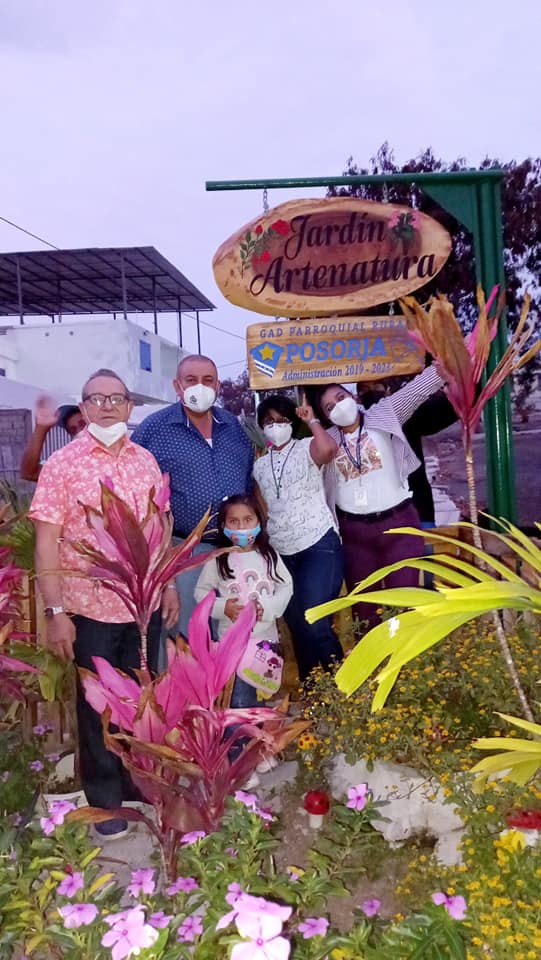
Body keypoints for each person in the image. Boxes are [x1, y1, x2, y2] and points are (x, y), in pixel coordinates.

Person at [29, 369, 178, 839]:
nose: (108, 406)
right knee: (97, 708)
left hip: (142, 606)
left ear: (130, 406)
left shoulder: (145, 460)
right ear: (84, 407)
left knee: (139, 699)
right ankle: (105, 801)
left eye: (117, 398)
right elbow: (46, 542)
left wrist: (169, 583)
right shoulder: (62, 465)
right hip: (88, 608)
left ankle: (137, 785)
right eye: (97, 399)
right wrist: (55, 613)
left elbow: (160, 527)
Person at [131, 354, 254, 639]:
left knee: (234, 635)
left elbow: (248, 480)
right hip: (183, 553)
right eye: (191, 380)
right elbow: (136, 491)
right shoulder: (154, 429)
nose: (200, 386)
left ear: (218, 386)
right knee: (186, 636)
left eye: (208, 380)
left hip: (235, 549)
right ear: (177, 385)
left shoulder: (233, 427)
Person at [314, 364, 445, 630]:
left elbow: (416, 391)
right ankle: (370, 657)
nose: (338, 407)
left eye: (340, 398)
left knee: (403, 601)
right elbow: (312, 457)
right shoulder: (327, 440)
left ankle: (405, 654)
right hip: (355, 534)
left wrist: (443, 368)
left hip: (399, 525)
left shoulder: (384, 414)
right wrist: (311, 422)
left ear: (353, 397)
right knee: (364, 609)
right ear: (326, 417)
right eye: (329, 407)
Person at [253, 394, 344, 681]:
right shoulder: (260, 465)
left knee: (315, 622)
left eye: (282, 420)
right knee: (296, 625)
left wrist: (312, 420)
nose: (275, 426)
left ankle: (344, 689)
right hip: (282, 554)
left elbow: (329, 450)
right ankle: (313, 693)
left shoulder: (307, 447)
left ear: (292, 422)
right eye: (269, 421)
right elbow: (262, 508)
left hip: (318, 544)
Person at [194, 494, 293, 708]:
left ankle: (253, 730)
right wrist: (223, 608)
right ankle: (240, 731)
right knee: (238, 700)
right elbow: (201, 593)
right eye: (233, 521)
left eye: (248, 520)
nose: (241, 527)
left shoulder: (269, 556)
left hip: (264, 645)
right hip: (231, 645)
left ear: (259, 521)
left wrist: (267, 608)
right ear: (223, 525)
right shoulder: (218, 559)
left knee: (257, 700)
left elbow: (286, 586)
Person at [357, 381, 457, 527]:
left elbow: (444, 411)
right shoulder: (353, 433)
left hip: (419, 512)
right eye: (364, 390)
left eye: (376, 386)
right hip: (379, 520)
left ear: (388, 391)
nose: (371, 392)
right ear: (357, 398)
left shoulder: (408, 417)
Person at [20, 396, 86, 481]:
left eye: (83, 424)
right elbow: (29, 473)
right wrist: (41, 428)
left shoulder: (103, 454)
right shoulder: (70, 466)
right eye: (72, 430)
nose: (79, 431)